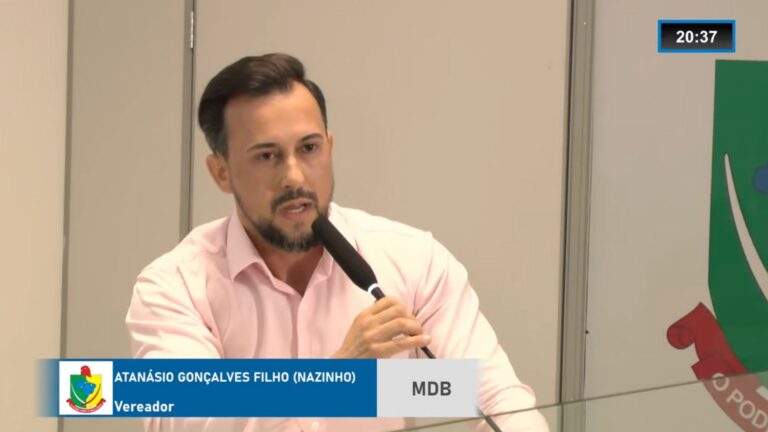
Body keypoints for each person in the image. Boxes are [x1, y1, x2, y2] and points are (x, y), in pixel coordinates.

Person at [126, 53, 548, 432]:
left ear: (329, 148)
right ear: (221, 173)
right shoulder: (175, 285)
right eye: (267, 156)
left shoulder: (412, 260)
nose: (294, 176)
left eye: (309, 148)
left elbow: (497, 398)